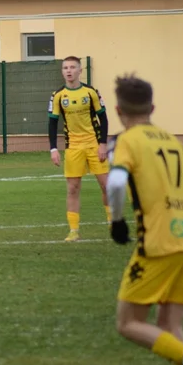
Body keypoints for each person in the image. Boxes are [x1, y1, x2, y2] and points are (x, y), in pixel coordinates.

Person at [106, 74, 183, 365]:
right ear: (153, 107)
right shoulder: (172, 141)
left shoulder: (129, 140)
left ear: (117, 109)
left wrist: (116, 222)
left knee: (128, 323)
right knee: (171, 326)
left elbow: (115, 182)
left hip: (159, 243)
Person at [48, 56, 110, 242]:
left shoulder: (91, 92)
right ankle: (73, 230)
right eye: (65, 67)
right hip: (73, 147)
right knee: (73, 188)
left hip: (93, 144)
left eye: (72, 67)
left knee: (106, 186)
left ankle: (113, 224)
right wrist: (53, 149)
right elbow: (52, 123)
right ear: (62, 71)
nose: (69, 71)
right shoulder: (58, 95)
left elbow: (103, 118)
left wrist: (103, 144)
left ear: (80, 70)